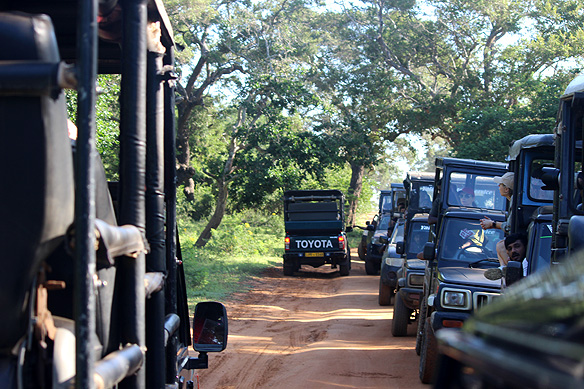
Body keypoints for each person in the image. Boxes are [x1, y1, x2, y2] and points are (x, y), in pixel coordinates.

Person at [480, 172, 514, 265]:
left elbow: (510, 227)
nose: (498, 186)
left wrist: (492, 224)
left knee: (502, 246)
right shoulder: (512, 201)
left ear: (507, 189)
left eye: (501, 184)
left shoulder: (514, 202)